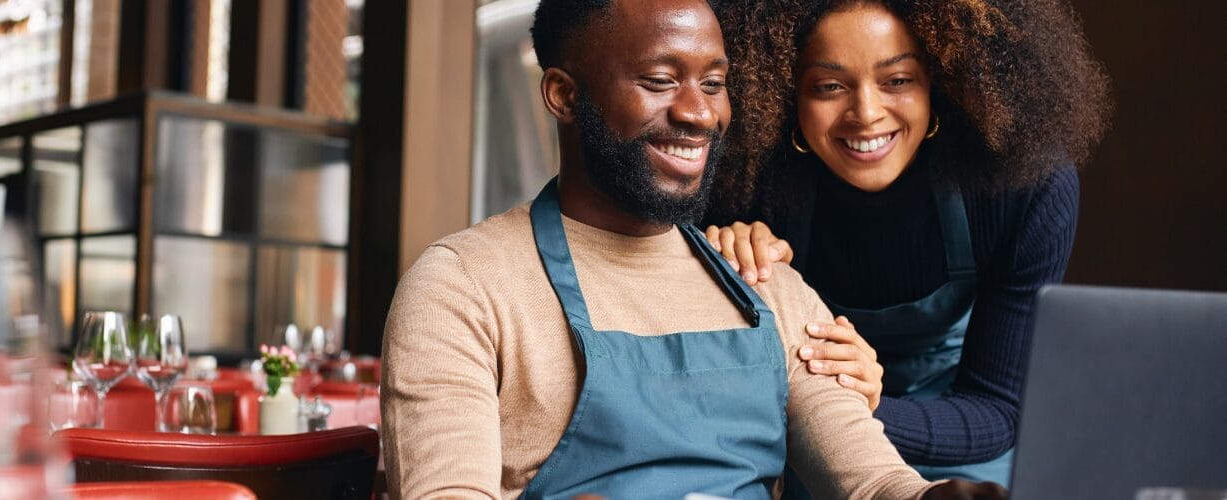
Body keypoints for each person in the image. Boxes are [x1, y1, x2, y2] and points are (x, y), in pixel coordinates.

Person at [379, 0, 1005, 498]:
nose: (699, 113)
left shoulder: (765, 283)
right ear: (564, 95)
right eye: (660, 80)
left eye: (713, 83)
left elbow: (873, 482)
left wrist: (935, 497)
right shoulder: (463, 287)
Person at [702, 0, 1112, 489]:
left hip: (960, 440)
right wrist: (731, 261)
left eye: (897, 80)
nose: (867, 114)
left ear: (937, 81)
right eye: (829, 86)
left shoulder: (1020, 186)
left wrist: (861, 404)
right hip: (812, 444)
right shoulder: (742, 185)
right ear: (786, 92)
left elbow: (998, 410)